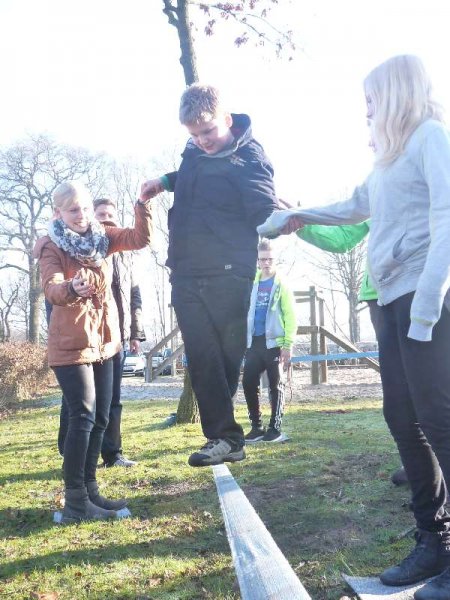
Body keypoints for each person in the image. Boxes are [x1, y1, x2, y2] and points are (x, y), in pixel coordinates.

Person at [261, 55, 450, 599]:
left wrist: (428, 306)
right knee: (402, 417)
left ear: (395, 94)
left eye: (371, 99)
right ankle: (434, 540)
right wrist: (296, 216)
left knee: (440, 420)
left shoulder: (431, 137)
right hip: (388, 299)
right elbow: (353, 207)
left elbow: (447, 219)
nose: (366, 110)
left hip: (421, 298)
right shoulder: (387, 160)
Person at [143, 83, 279, 467]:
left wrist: (277, 220)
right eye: (194, 134)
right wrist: (165, 182)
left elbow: (262, 206)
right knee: (201, 356)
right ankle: (225, 438)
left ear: (227, 120)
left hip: (229, 272)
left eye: (208, 132)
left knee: (225, 359)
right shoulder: (195, 151)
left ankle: (227, 436)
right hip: (186, 270)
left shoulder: (250, 159)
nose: (202, 141)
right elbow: (197, 174)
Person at [33, 180, 154, 523]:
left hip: (105, 342)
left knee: (101, 417)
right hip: (71, 345)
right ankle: (75, 504)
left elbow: (140, 239)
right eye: (73, 210)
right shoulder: (51, 246)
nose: (82, 215)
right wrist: (71, 287)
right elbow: (52, 287)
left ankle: (90, 491)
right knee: (83, 416)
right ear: (58, 212)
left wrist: (142, 203)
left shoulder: (103, 236)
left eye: (85, 208)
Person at [296, 221, 409, 486]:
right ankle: (419, 463)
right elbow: (343, 237)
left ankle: (434, 464)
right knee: (397, 394)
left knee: (429, 386)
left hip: (421, 288)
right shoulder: (375, 199)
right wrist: (301, 222)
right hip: (380, 295)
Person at [56, 198, 146, 467]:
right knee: (78, 402)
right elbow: (57, 290)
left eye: (110, 215)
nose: (107, 219)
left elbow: (135, 297)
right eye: (101, 214)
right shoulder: (76, 249)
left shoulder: (126, 257)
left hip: (114, 337)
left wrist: (135, 333)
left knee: (111, 400)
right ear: (93, 218)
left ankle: (113, 453)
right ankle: (72, 453)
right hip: (84, 337)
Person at [243, 238, 296, 443]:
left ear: (275, 259)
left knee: (275, 385)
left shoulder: (282, 284)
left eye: (270, 259)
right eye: (263, 259)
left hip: (275, 343)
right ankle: (256, 427)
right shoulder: (252, 283)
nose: (266, 263)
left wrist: (287, 345)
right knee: (248, 382)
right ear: (257, 260)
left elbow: (290, 315)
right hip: (254, 342)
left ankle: (275, 429)